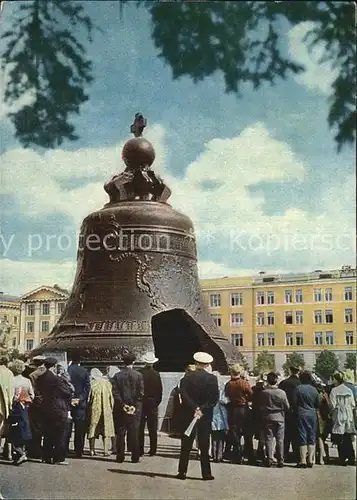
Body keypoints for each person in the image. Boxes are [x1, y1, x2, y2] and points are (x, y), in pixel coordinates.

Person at [176, 352, 219, 481]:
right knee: (204, 445)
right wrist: (202, 408)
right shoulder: (212, 379)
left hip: (189, 414)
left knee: (186, 445)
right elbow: (214, 398)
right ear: (207, 365)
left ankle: (182, 471)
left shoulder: (186, 379)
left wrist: (195, 407)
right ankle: (206, 473)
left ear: (196, 363)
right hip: (205, 416)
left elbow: (184, 396)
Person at [36, 357, 74, 465]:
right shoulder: (57, 380)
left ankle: (46, 456)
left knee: (48, 432)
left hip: (45, 407)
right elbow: (67, 392)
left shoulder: (41, 377)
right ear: (53, 366)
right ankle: (58, 457)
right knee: (60, 433)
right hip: (58, 407)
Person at [111, 351, 144, 463]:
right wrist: (134, 405)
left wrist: (123, 405)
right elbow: (140, 393)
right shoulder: (138, 375)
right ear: (133, 362)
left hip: (121, 408)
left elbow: (115, 393)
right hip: (135, 409)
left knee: (121, 433)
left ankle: (120, 456)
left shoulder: (117, 376)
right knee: (134, 432)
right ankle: (135, 456)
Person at [259, 372, 289, 468]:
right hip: (280, 417)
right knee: (280, 440)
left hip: (267, 417)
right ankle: (280, 459)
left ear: (267, 380)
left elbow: (261, 405)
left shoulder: (264, 392)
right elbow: (287, 406)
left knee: (269, 439)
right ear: (276, 380)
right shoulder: (282, 393)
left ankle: (269, 458)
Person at [225, 363, 253, 464]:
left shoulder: (229, 384)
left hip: (232, 409)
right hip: (243, 408)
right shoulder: (244, 383)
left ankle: (237, 456)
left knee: (234, 433)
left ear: (231, 372)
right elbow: (251, 394)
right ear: (240, 372)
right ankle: (250, 456)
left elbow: (226, 395)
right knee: (247, 432)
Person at [7, 359, 34, 465]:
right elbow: (32, 395)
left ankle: (20, 453)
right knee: (22, 430)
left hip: (15, 407)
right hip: (25, 407)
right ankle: (19, 453)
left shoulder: (12, 380)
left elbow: (11, 395)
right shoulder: (27, 381)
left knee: (13, 431)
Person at [293, 370, 320, 468]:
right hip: (312, 414)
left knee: (302, 436)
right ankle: (311, 460)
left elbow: (294, 402)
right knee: (311, 436)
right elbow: (318, 404)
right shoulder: (314, 390)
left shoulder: (298, 389)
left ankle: (303, 460)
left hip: (301, 413)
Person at [329, 372, 356, 466]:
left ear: (336, 380)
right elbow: (353, 404)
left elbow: (332, 404)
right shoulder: (348, 390)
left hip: (339, 414)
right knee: (348, 436)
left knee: (339, 438)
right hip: (348, 415)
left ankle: (342, 458)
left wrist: (333, 413)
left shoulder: (334, 390)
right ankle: (351, 457)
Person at [87, 368, 115, 457]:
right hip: (106, 409)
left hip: (95, 409)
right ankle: (106, 450)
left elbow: (89, 399)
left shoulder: (92, 384)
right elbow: (112, 399)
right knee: (106, 429)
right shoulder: (108, 384)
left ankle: (92, 450)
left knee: (93, 428)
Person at [139, 352, 163, 457]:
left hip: (141, 403)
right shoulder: (156, 374)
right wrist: (156, 403)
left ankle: (140, 449)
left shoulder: (139, 373)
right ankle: (153, 450)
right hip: (152, 403)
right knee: (152, 428)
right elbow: (160, 391)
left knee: (140, 428)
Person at [67, 351, 90, 458]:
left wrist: (71, 399)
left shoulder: (67, 370)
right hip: (80, 404)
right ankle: (78, 450)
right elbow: (87, 388)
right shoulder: (84, 371)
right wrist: (79, 399)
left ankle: (65, 447)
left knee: (67, 427)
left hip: (68, 402)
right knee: (80, 428)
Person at [279, 365, 301, 463]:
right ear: (298, 372)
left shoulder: (284, 383)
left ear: (290, 371)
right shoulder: (300, 383)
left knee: (286, 435)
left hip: (285, 411)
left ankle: (284, 454)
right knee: (296, 434)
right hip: (297, 411)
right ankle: (297, 455)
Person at [27, 356, 46, 459]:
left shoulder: (33, 375)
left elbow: (33, 391)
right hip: (47, 402)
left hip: (36, 403)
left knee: (35, 426)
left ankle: (34, 449)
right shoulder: (49, 373)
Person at [211, 370, 229, 463]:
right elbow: (224, 400)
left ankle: (214, 455)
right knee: (221, 437)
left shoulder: (208, 388)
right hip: (221, 414)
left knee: (214, 436)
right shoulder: (222, 388)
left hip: (212, 413)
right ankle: (219, 455)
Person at [0, 355, 14, 459]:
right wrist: (10, 404)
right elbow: (10, 391)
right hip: (2, 404)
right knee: (3, 426)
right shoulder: (8, 373)